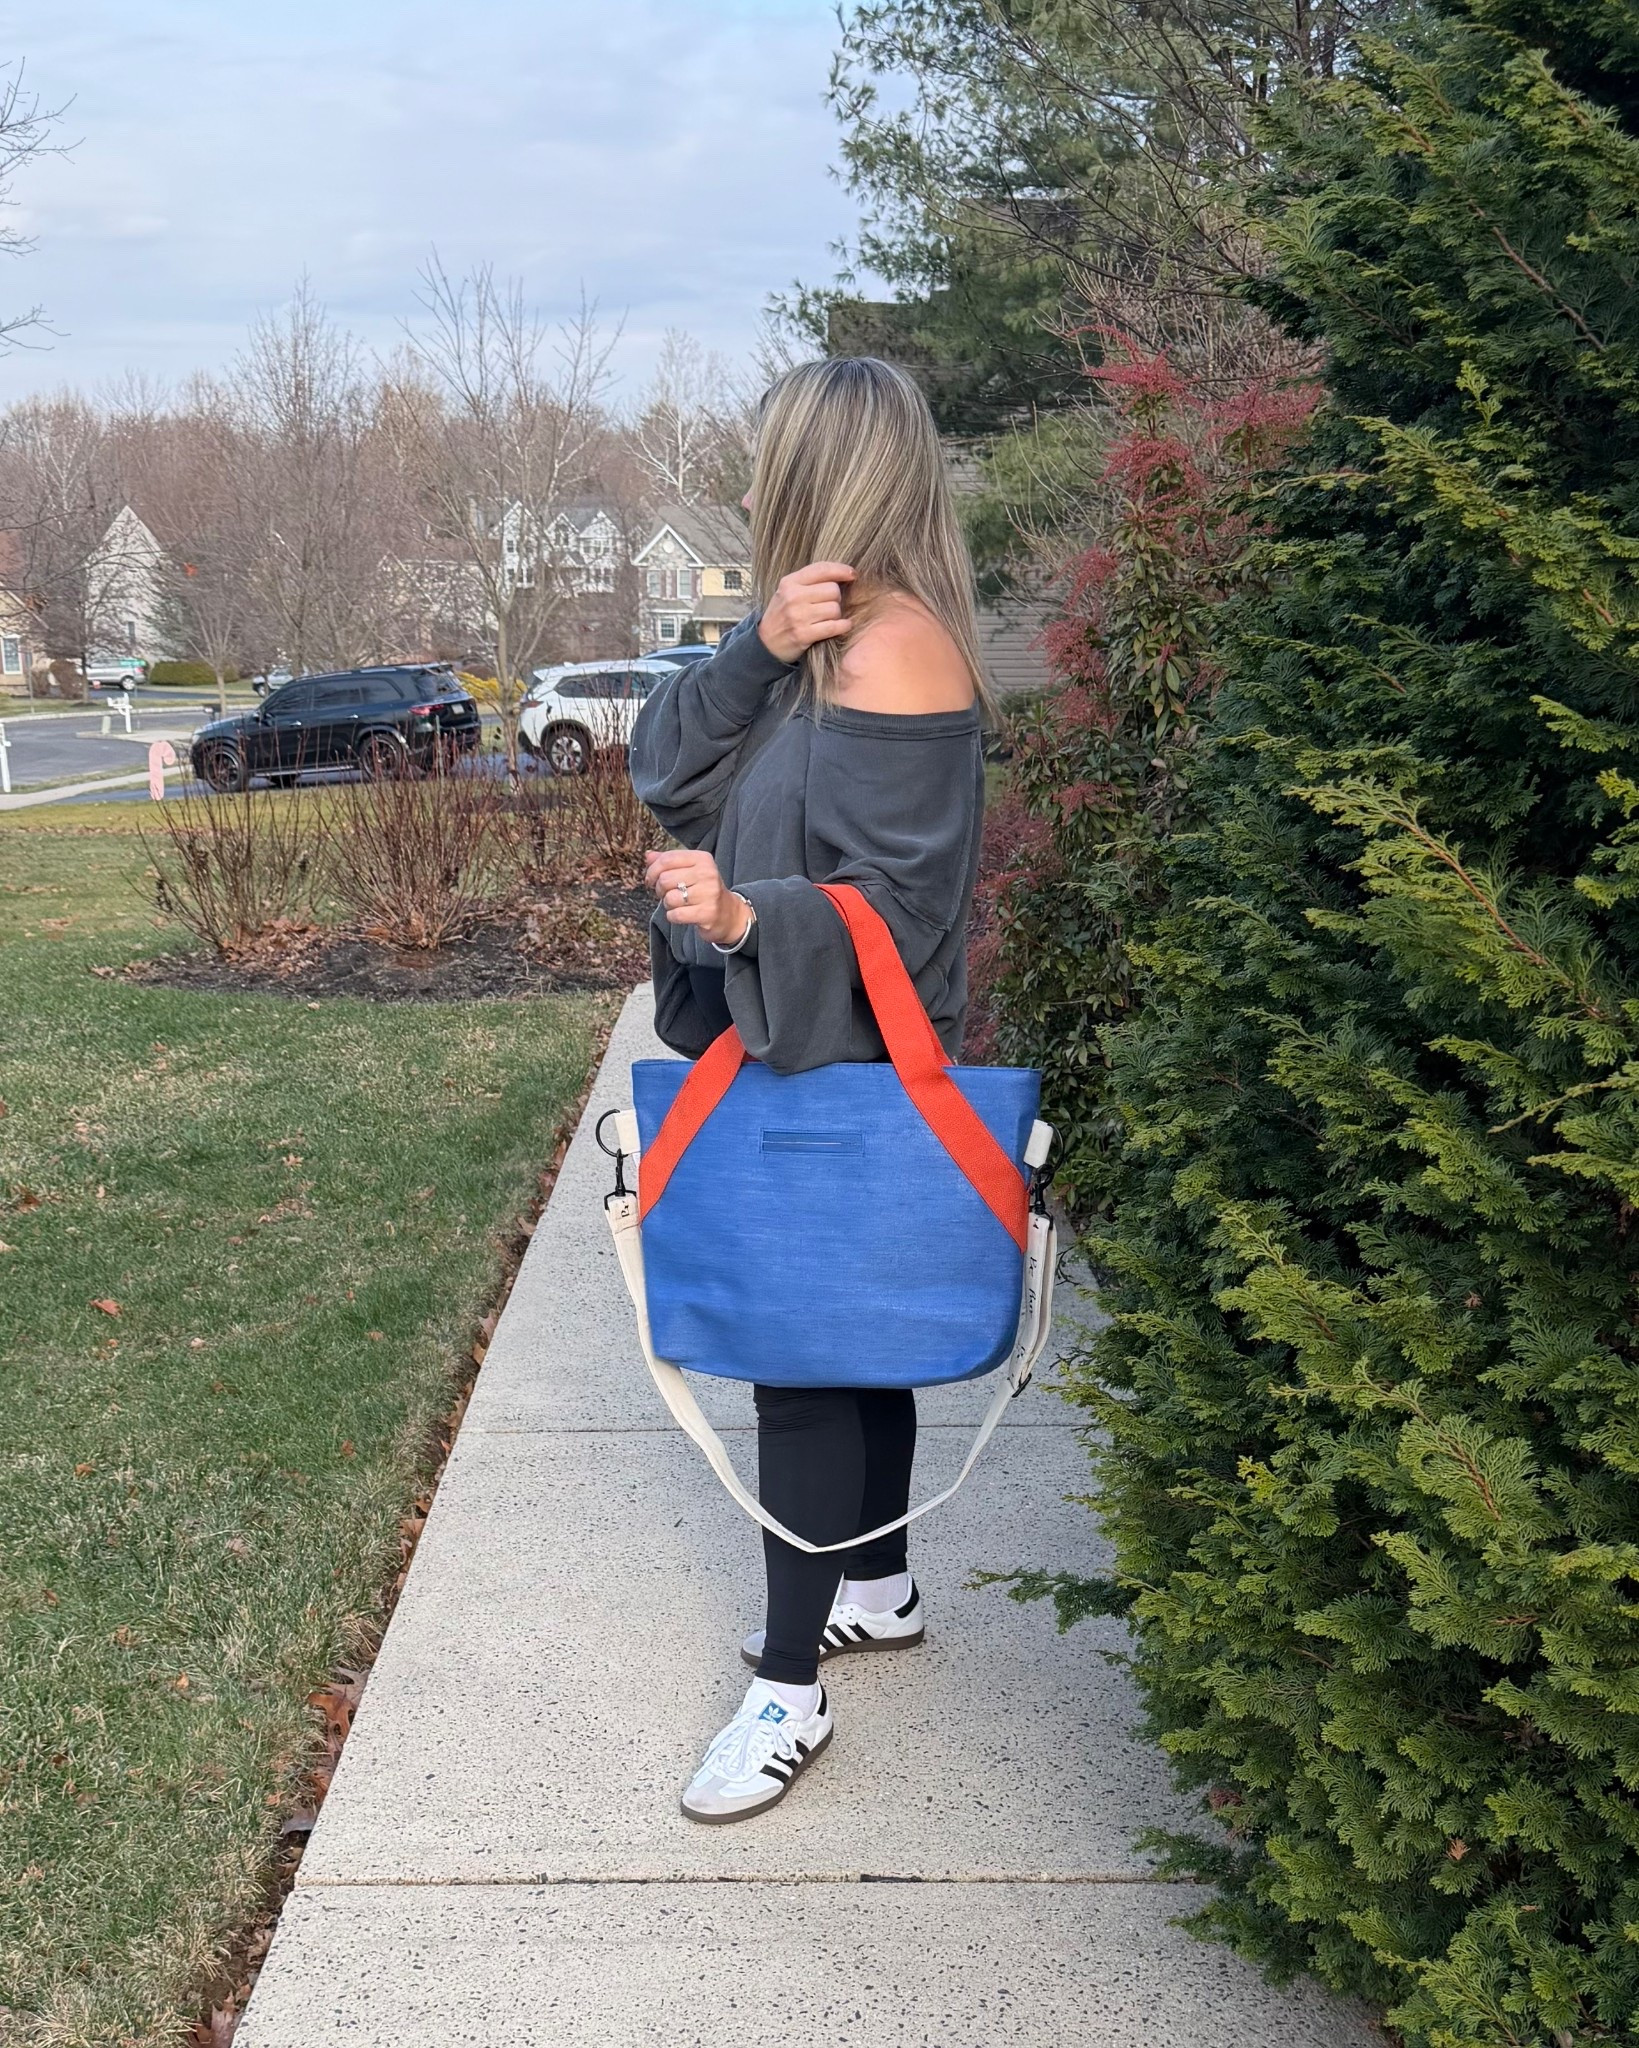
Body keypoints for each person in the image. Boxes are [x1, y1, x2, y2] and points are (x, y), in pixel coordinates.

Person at [629, 355, 996, 1825]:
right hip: (784, 1040)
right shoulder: (802, 642)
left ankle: (788, 1689)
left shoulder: (898, 650)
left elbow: (896, 919)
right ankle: (884, 1586)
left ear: (825, 474)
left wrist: (735, 925)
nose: (745, 480)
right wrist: (750, 644)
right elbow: (663, 765)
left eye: (766, 459)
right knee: (854, 1344)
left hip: (836, 1051)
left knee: (802, 1359)